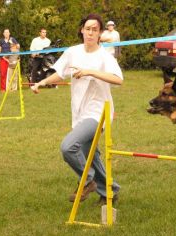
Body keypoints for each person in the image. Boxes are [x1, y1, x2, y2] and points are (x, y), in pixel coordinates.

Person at [32, 13, 123, 204]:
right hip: (79, 112)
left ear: (100, 34)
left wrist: (91, 71)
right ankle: (110, 190)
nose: (90, 33)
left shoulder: (104, 56)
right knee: (91, 152)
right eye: (87, 28)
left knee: (68, 147)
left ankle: (88, 180)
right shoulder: (73, 52)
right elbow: (61, 74)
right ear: (82, 30)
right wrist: (42, 82)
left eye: (95, 30)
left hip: (99, 112)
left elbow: (118, 79)